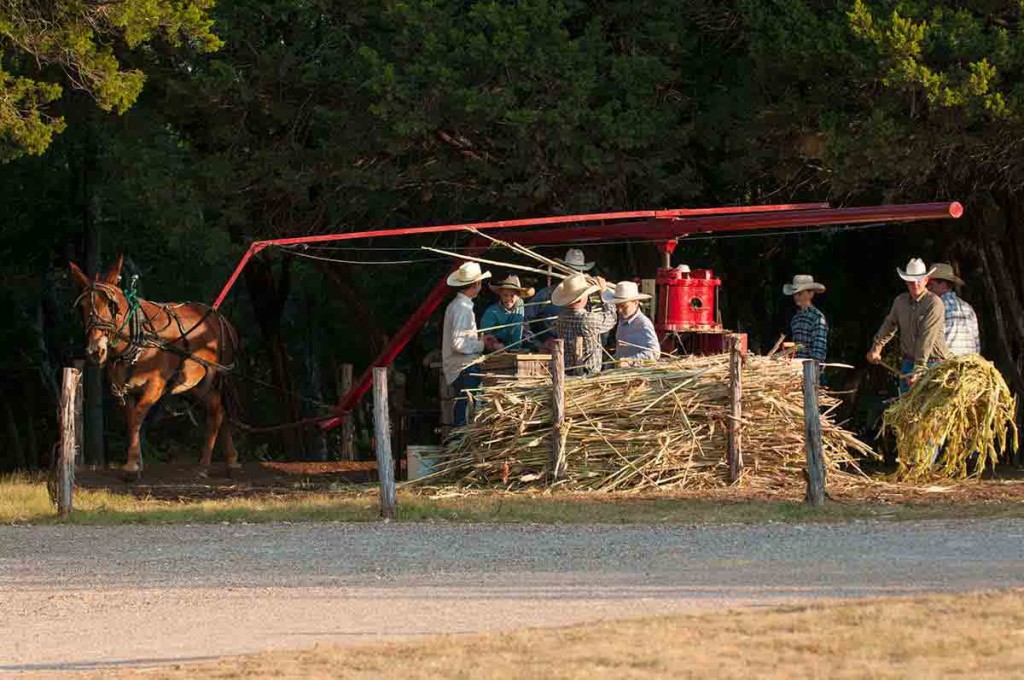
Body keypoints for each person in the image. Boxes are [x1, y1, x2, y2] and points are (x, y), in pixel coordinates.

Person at [866, 258, 950, 393]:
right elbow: (889, 324)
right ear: (906, 281)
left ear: (926, 281)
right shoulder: (900, 301)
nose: (915, 284)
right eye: (911, 281)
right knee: (906, 407)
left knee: (927, 409)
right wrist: (877, 348)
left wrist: (919, 369)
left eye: (919, 280)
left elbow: (927, 337)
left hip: (932, 363)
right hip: (908, 362)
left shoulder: (934, 303)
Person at [442, 261, 500, 426]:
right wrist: (481, 345)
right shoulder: (462, 308)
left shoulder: (459, 306)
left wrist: (479, 341)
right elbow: (459, 344)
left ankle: (460, 446)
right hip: (463, 367)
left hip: (461, 367)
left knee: (465, 408)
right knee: (465, 411)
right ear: (476, 284)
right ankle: (460, 447)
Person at [526, 248, 596, 347]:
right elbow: (526, 319)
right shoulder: (547, 294)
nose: (574, 274)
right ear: (563, 271)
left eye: (578, 271)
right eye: (571, 270)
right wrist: (540, 342)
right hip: (550, 347)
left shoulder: (589, 295)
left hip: (579, 347)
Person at [552, 272, 616, 375]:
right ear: (582, 298)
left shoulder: (561, 318)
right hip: (587, 373)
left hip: (567, 371)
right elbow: (611, 318)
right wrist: (604, 293)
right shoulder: (586, 319)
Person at [926, 262, 980, 356]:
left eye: (931, 285)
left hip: (947, 365)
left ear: (943, 285)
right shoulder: (968, 308)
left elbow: (930, 342)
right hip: (971, 365)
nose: (928, 289)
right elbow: (976, 344)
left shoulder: (936, 308)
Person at [606, 280, 660, 363]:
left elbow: (655, 352)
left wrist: (630, 361)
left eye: (624, 306)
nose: (619, 310)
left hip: (637, 373)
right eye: (617, 306)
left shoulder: (643, 323)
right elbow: (621, 352)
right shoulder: (621, 321)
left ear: (636, 303)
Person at [480, 274, 535, 348]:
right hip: (495, 349)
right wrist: (494, 345)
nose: (508, 299)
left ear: (518, 297)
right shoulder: (491, 312)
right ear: (500, 295)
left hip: (515, 347)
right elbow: (484, 337)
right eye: (505, 295)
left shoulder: (520, 305)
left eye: (512, 295)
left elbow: (518, 329)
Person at [782, 275, 828, 362]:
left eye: (800, 294)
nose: (796, 297)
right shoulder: (796, 319)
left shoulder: (817, 317)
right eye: (795, 294)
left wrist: (813, 368)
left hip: (810, 369)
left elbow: (819, 351)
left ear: (811, 294)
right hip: (796, 369)